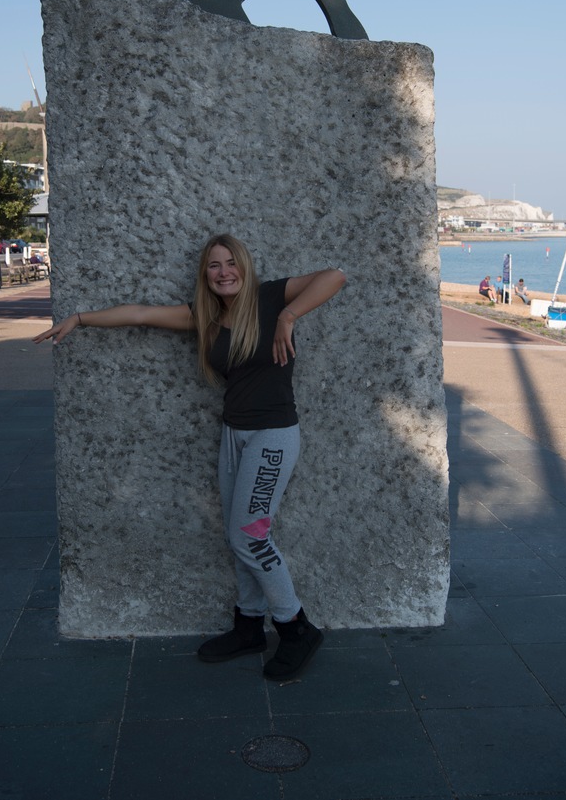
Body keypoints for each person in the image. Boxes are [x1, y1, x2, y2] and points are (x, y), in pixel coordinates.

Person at [33, 233, 346, 682]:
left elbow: (335, 276)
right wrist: (80, 319)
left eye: (230, 262)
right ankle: (248, 625)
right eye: (213, 266)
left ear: (244, 265)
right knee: (239, 536)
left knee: (251, 536)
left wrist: (290, 316)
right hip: (234, 436)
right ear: (206, 276)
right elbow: (139, 314)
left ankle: (296, 628)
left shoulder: (271, 297)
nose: (223, 272)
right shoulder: (205, 317)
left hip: (273, 436)